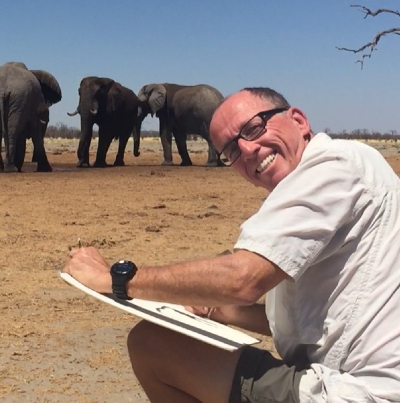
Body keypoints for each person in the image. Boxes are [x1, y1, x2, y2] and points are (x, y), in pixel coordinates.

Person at [63, 87, 400, 403]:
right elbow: (319, 323)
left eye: (254, 129)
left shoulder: (333, 165)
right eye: (231, 151)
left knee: (151, 345)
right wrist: (219, 311)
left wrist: (116, 279)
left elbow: (242, 280)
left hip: (360, 391)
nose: (248, 151)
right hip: (354, 380)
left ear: (298, 120)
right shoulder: (341, 175)